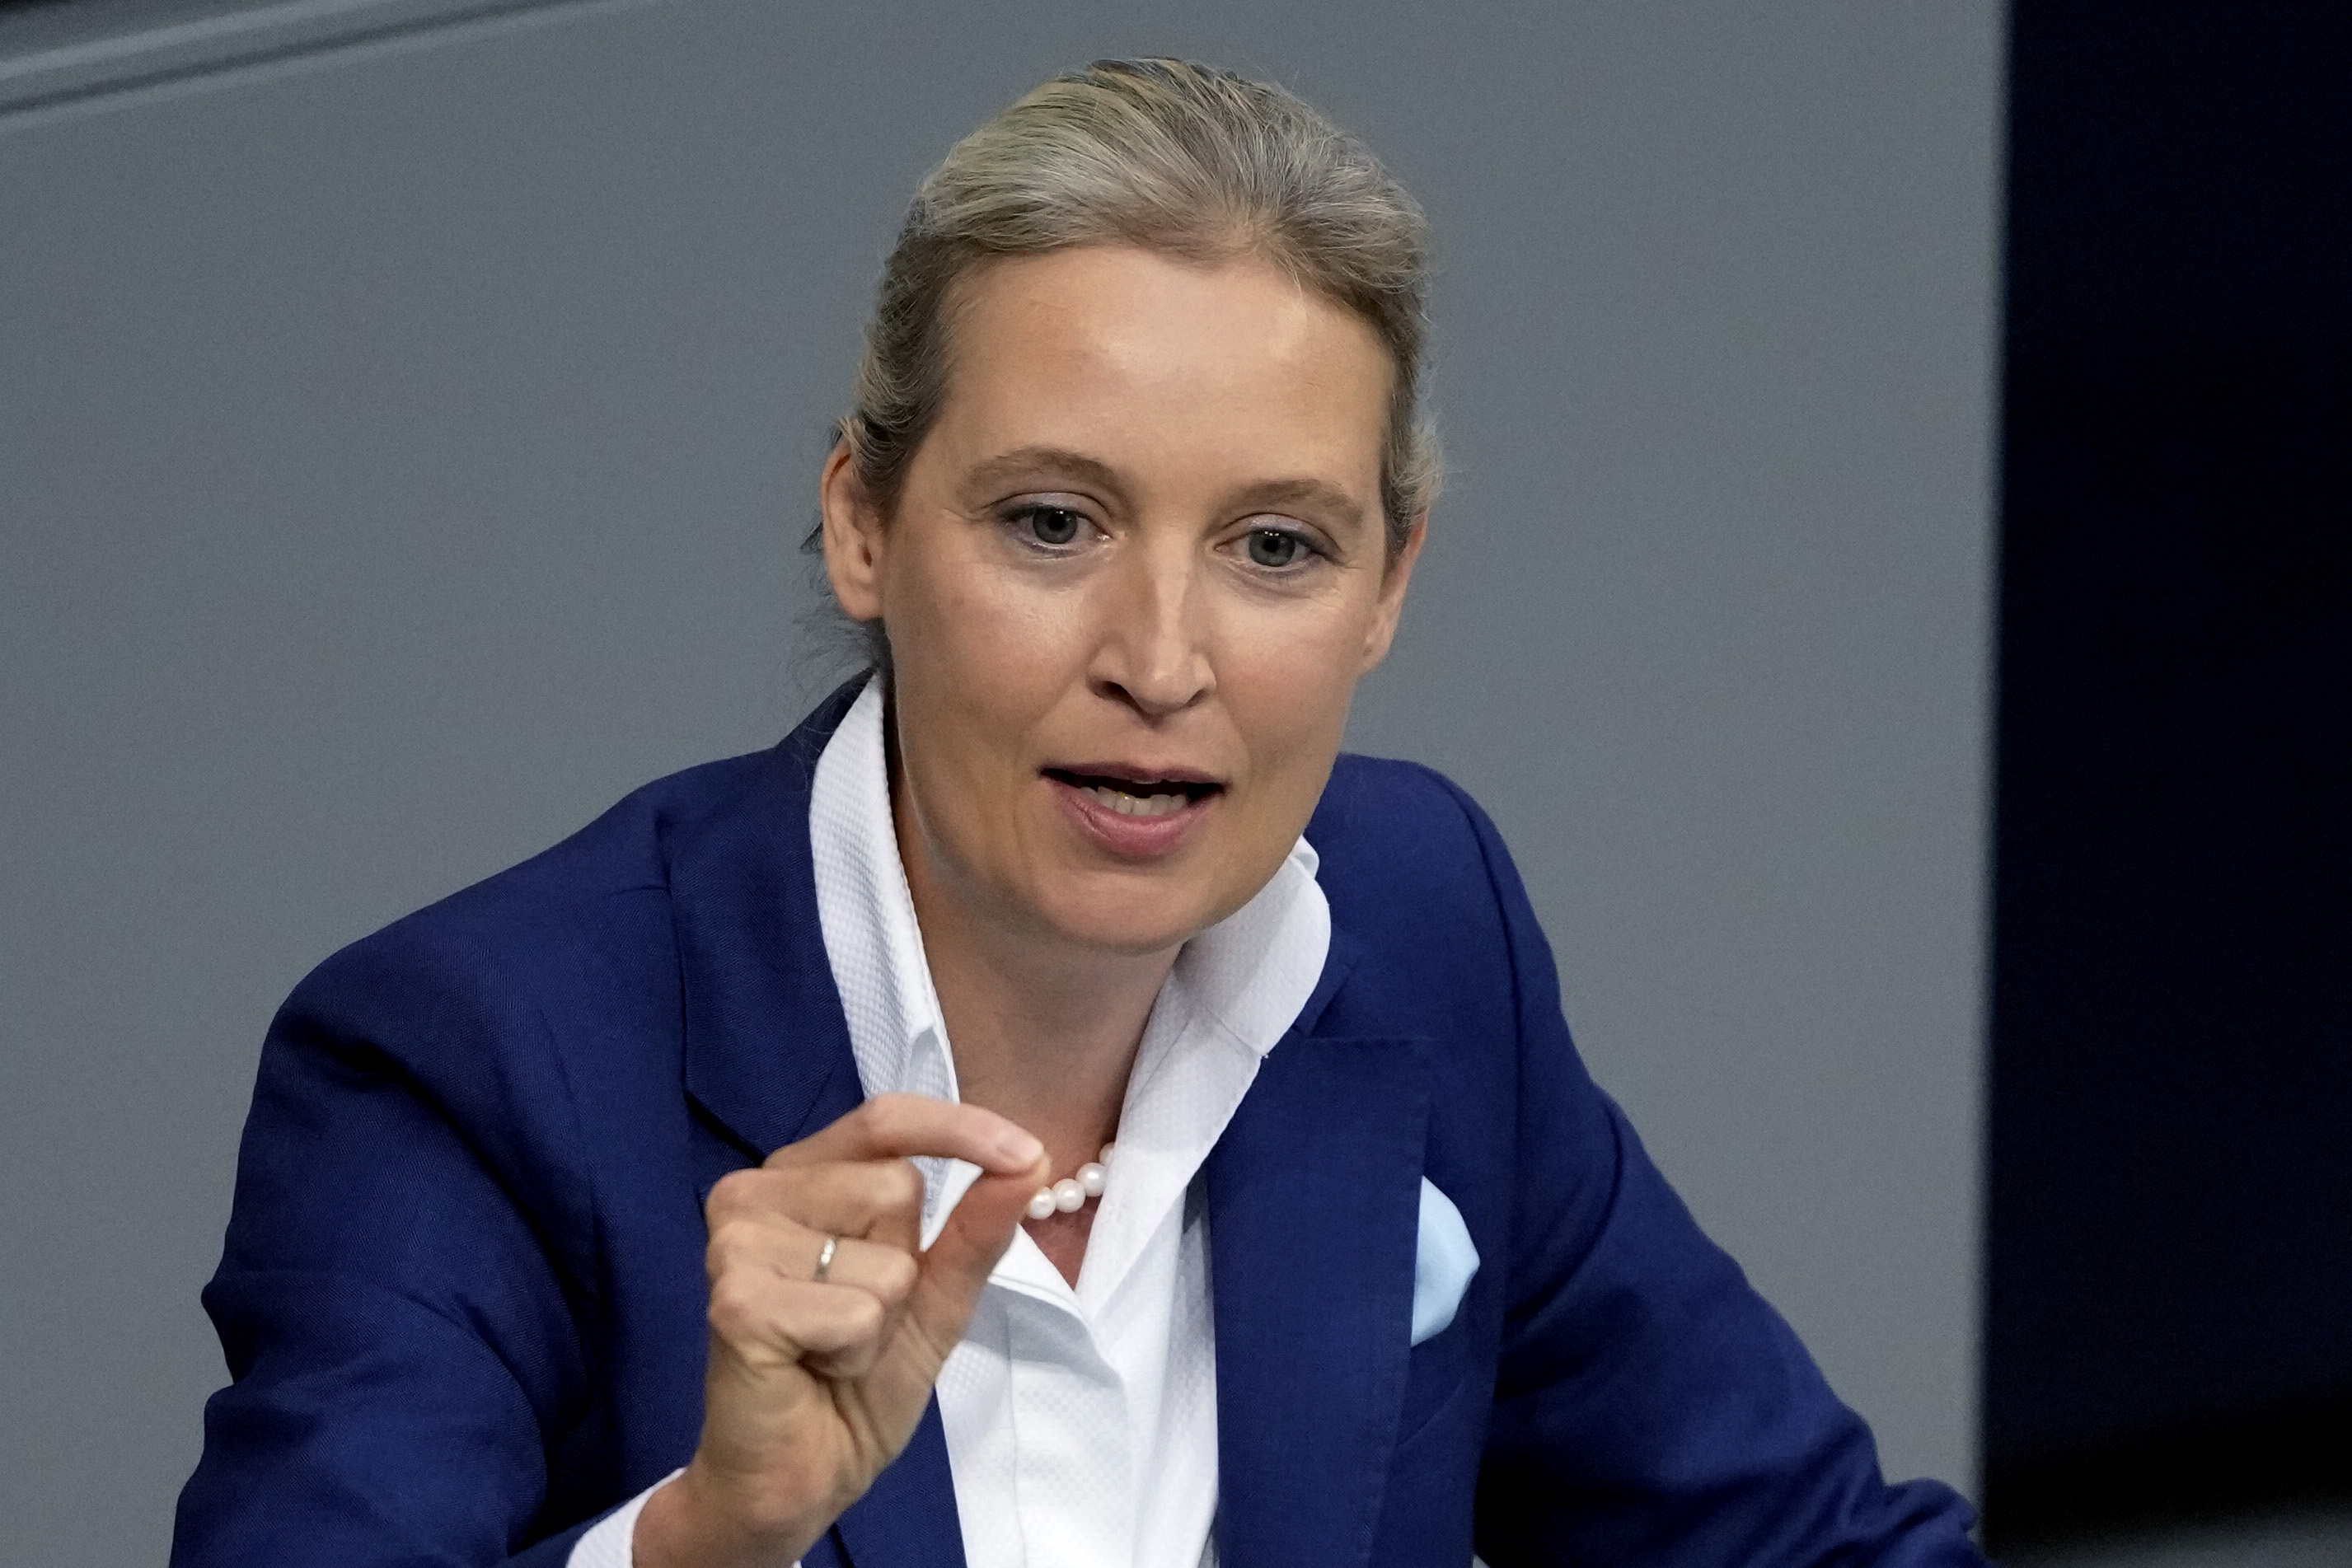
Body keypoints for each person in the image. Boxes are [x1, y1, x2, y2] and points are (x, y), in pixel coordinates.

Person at [171, 59, 1988, 1568]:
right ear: (860, 524)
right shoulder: (472, 1061)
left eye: (1274, 547)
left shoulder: (1426, 927)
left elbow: (1809, 1549)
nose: (1158, 656)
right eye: (1053, 521)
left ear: (1388, 587)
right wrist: (708, 1539)